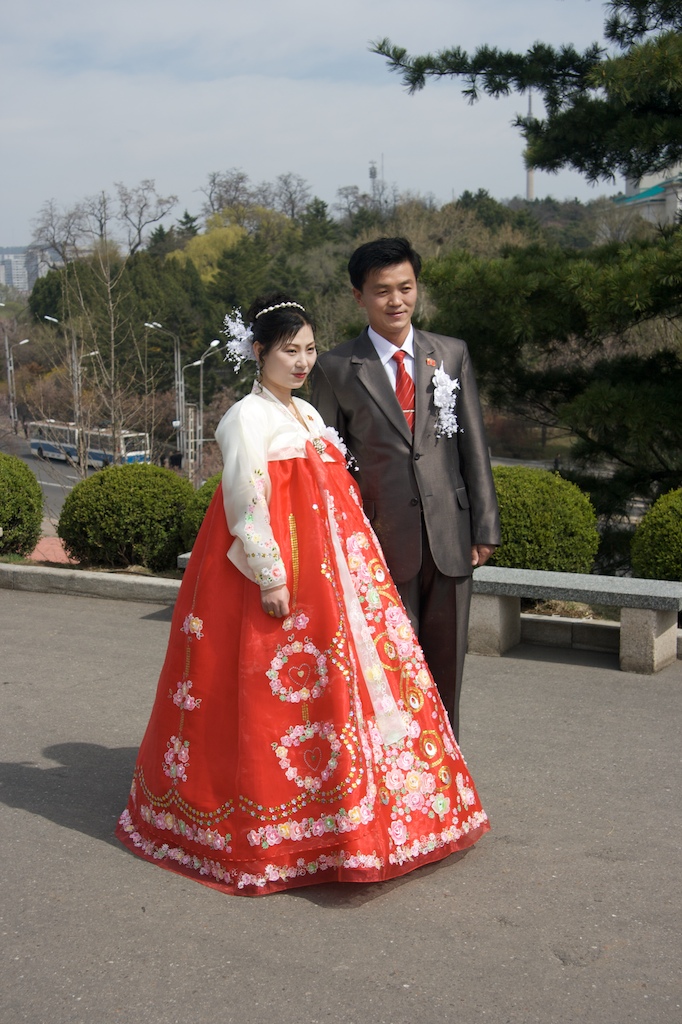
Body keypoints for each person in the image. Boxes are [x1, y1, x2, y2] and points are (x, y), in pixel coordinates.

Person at [116, 294, 489, 897]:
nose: (302, 361)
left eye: (310, 350)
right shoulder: (246, 417)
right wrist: (269, 574)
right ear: (259, 352)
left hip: (336, 576)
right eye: (289, 350)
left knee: (338, 691)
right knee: (272, 694)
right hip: (283, 575)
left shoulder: (310, 416)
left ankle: (345, 813)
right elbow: (245, 501)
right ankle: (277, 821)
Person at [311, 238, 501, 740]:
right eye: (381, 291)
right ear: (358, 297)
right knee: (388, 664)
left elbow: (473, 446)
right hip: (378, 540)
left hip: (451, 537)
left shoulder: (451, 354)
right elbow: (329, 465)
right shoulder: (335, 367)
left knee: (447, 664)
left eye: (406, 288)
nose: (396, 301)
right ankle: (396, 777)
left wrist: (484, 526)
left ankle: (448, 773)